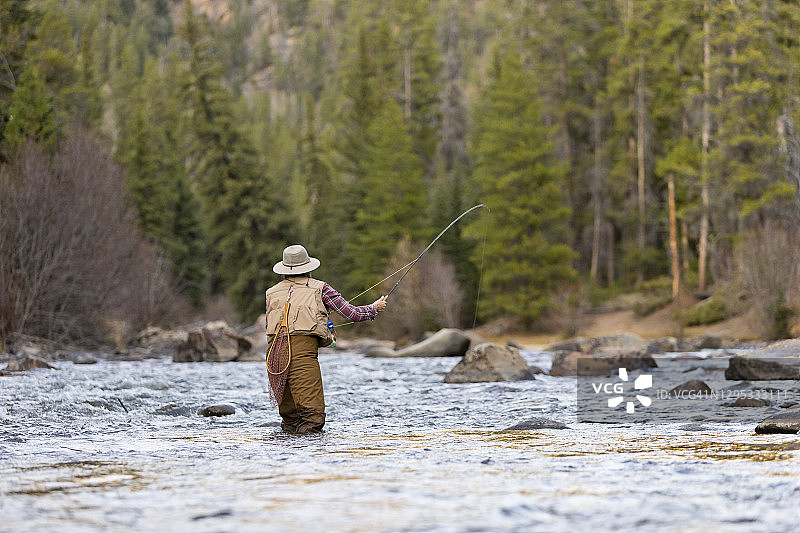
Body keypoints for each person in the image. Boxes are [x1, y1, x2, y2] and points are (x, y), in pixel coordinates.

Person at [265, 244, 387, 433]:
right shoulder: (321, 288)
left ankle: (287, 458)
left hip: (274, 356)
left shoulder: (271, 292)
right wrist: (374, 308)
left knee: (290, 419)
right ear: (308, 268)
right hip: (302, 356)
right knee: (312, 418)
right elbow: (351, 313)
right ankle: (312, 459)